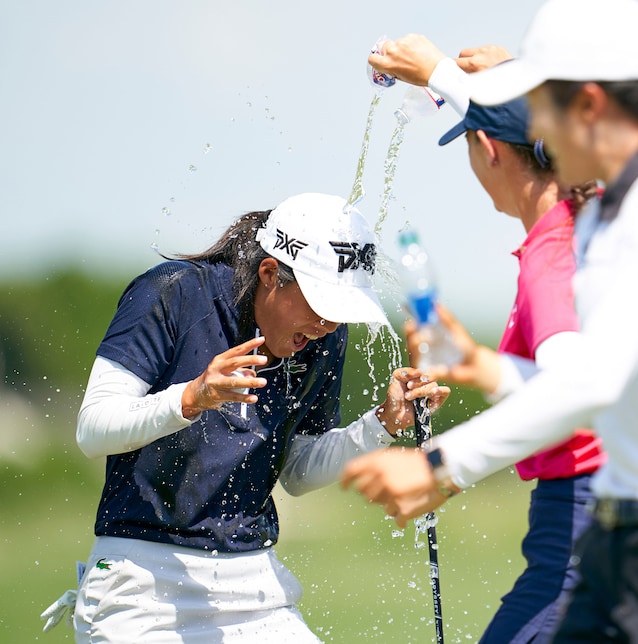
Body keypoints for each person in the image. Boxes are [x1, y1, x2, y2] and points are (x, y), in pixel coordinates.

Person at [343, 1, 638, 642]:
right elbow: (589, 383)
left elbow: (593, 383)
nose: (539, 136)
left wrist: (441, 464)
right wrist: (488, 366)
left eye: (542, 111)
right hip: (630, 536)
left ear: (586, 106)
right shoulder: (615, 218)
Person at [69, 192, 449, 642]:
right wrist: (192, 397)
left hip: (255, 585)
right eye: (322, 305)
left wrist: (382, 423)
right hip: (139, 584)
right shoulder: (172, 292)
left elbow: (297, 471)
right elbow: (93, 429)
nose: (328, 325)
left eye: (340, 312)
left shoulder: (319, 337)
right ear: (270, 274)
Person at [371, 36, 604, 643]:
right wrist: (468, 78)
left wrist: (443, 468)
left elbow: (569, 392)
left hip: (580, 523)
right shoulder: (598, 217)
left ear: (491, 151)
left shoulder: (552, 257)